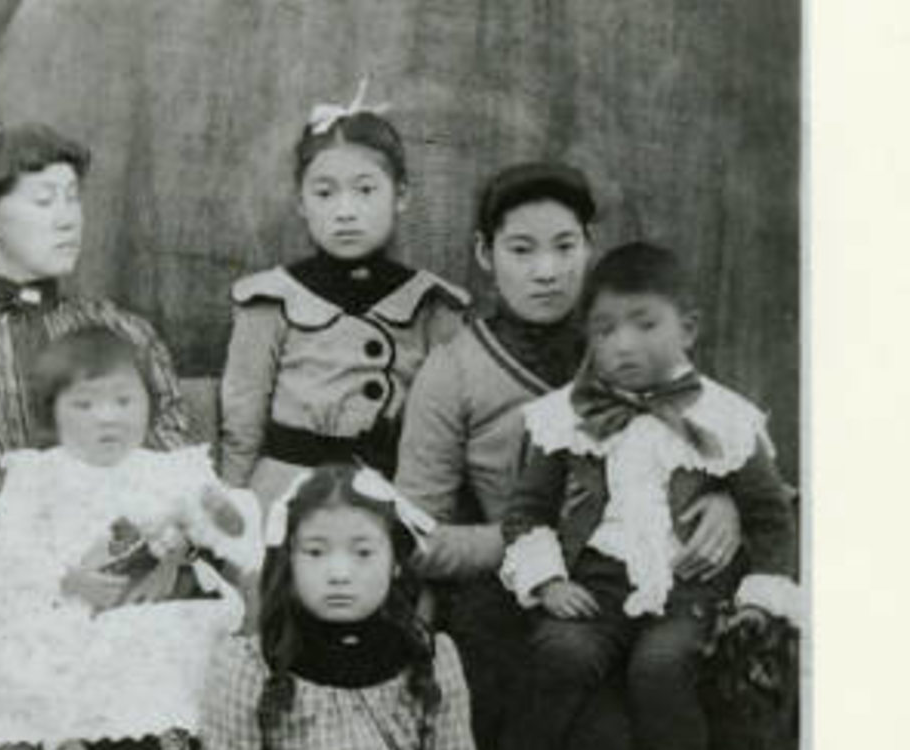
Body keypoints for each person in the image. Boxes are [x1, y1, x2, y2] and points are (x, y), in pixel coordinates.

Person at [395, 162, 744, 750]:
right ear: (485, 253)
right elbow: (415, 535)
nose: (547, 272)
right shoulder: (453, 370)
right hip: (518, 602)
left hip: (648, 584)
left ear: (590, 245)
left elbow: (715, 435)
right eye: (521, 249)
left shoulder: (636, 344)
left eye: (565, 246)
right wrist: (537, 547)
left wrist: (724, 499)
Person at [0, 121, 190, 750]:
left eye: (73, 197)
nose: (67, 218)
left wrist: (114, 559)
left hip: (116, 605)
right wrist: (27, 521)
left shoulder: (122, 335)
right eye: (44, 200)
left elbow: (174, 469)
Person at [498, 241, 800, 750]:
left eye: (645, 324)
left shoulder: (725, 417)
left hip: (691, 593)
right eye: (605, 329)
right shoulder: (569, 416)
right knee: (561, 653)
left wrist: (756, 602)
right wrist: (548, 581)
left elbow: (770, 517)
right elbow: (527, 510)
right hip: (596, 585)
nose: (623, 345)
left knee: (660, 669)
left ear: (688, 328)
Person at [0, 328, 262, 750]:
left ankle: (166, 733)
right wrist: (67, 579)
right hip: (67, 604)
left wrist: (217, 513)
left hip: (155, 605)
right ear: (53, 415)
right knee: (42, 651)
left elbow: (238, 540)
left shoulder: (170, 471)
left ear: (149, 404)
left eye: (124, 401)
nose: (108, 417)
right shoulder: (38, 476)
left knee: (176, 635)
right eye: (84, 404)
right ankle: (73, 735)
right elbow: (9, 554)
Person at [219, 79, 470, 509]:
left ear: (401, 195)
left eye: (366, 190)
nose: (345, 211)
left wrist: (425, 521)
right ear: (301, 201)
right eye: (324, 192)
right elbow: (242, 426)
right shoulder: (269, 301)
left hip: (392, 497)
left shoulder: (433, 305)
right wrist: (225, 521)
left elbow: (445, 432)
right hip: (285, 496)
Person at [200, 463, 476, 750]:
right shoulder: (250, 670)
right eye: (316, 552)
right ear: (290, 560)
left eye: (363, 553)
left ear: (394, 562)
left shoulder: (431, 661)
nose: (339, 574)